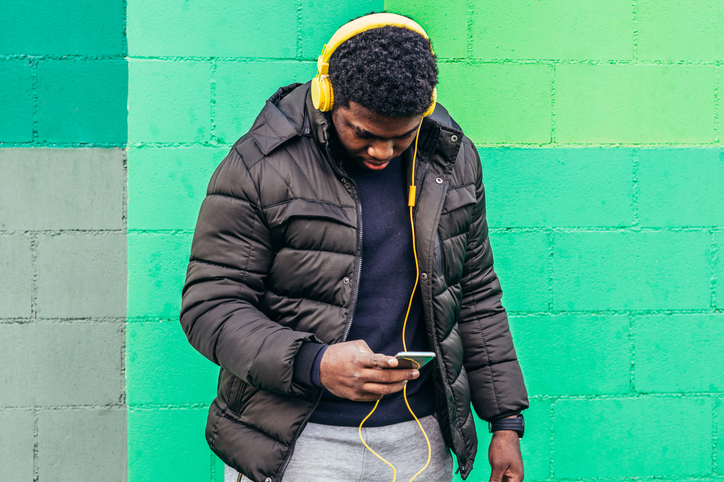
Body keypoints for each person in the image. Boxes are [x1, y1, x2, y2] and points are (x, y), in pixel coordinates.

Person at [180, 13, 528, 482]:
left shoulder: (452, 159)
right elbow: (210, 307)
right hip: (297, 443)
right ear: (328, 98)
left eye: (400, 136)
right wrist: (315, 363)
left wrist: (505, 424)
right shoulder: (259, 166)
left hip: (419, 440)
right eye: (363, 132)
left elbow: (476, 293)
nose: (382, 152)